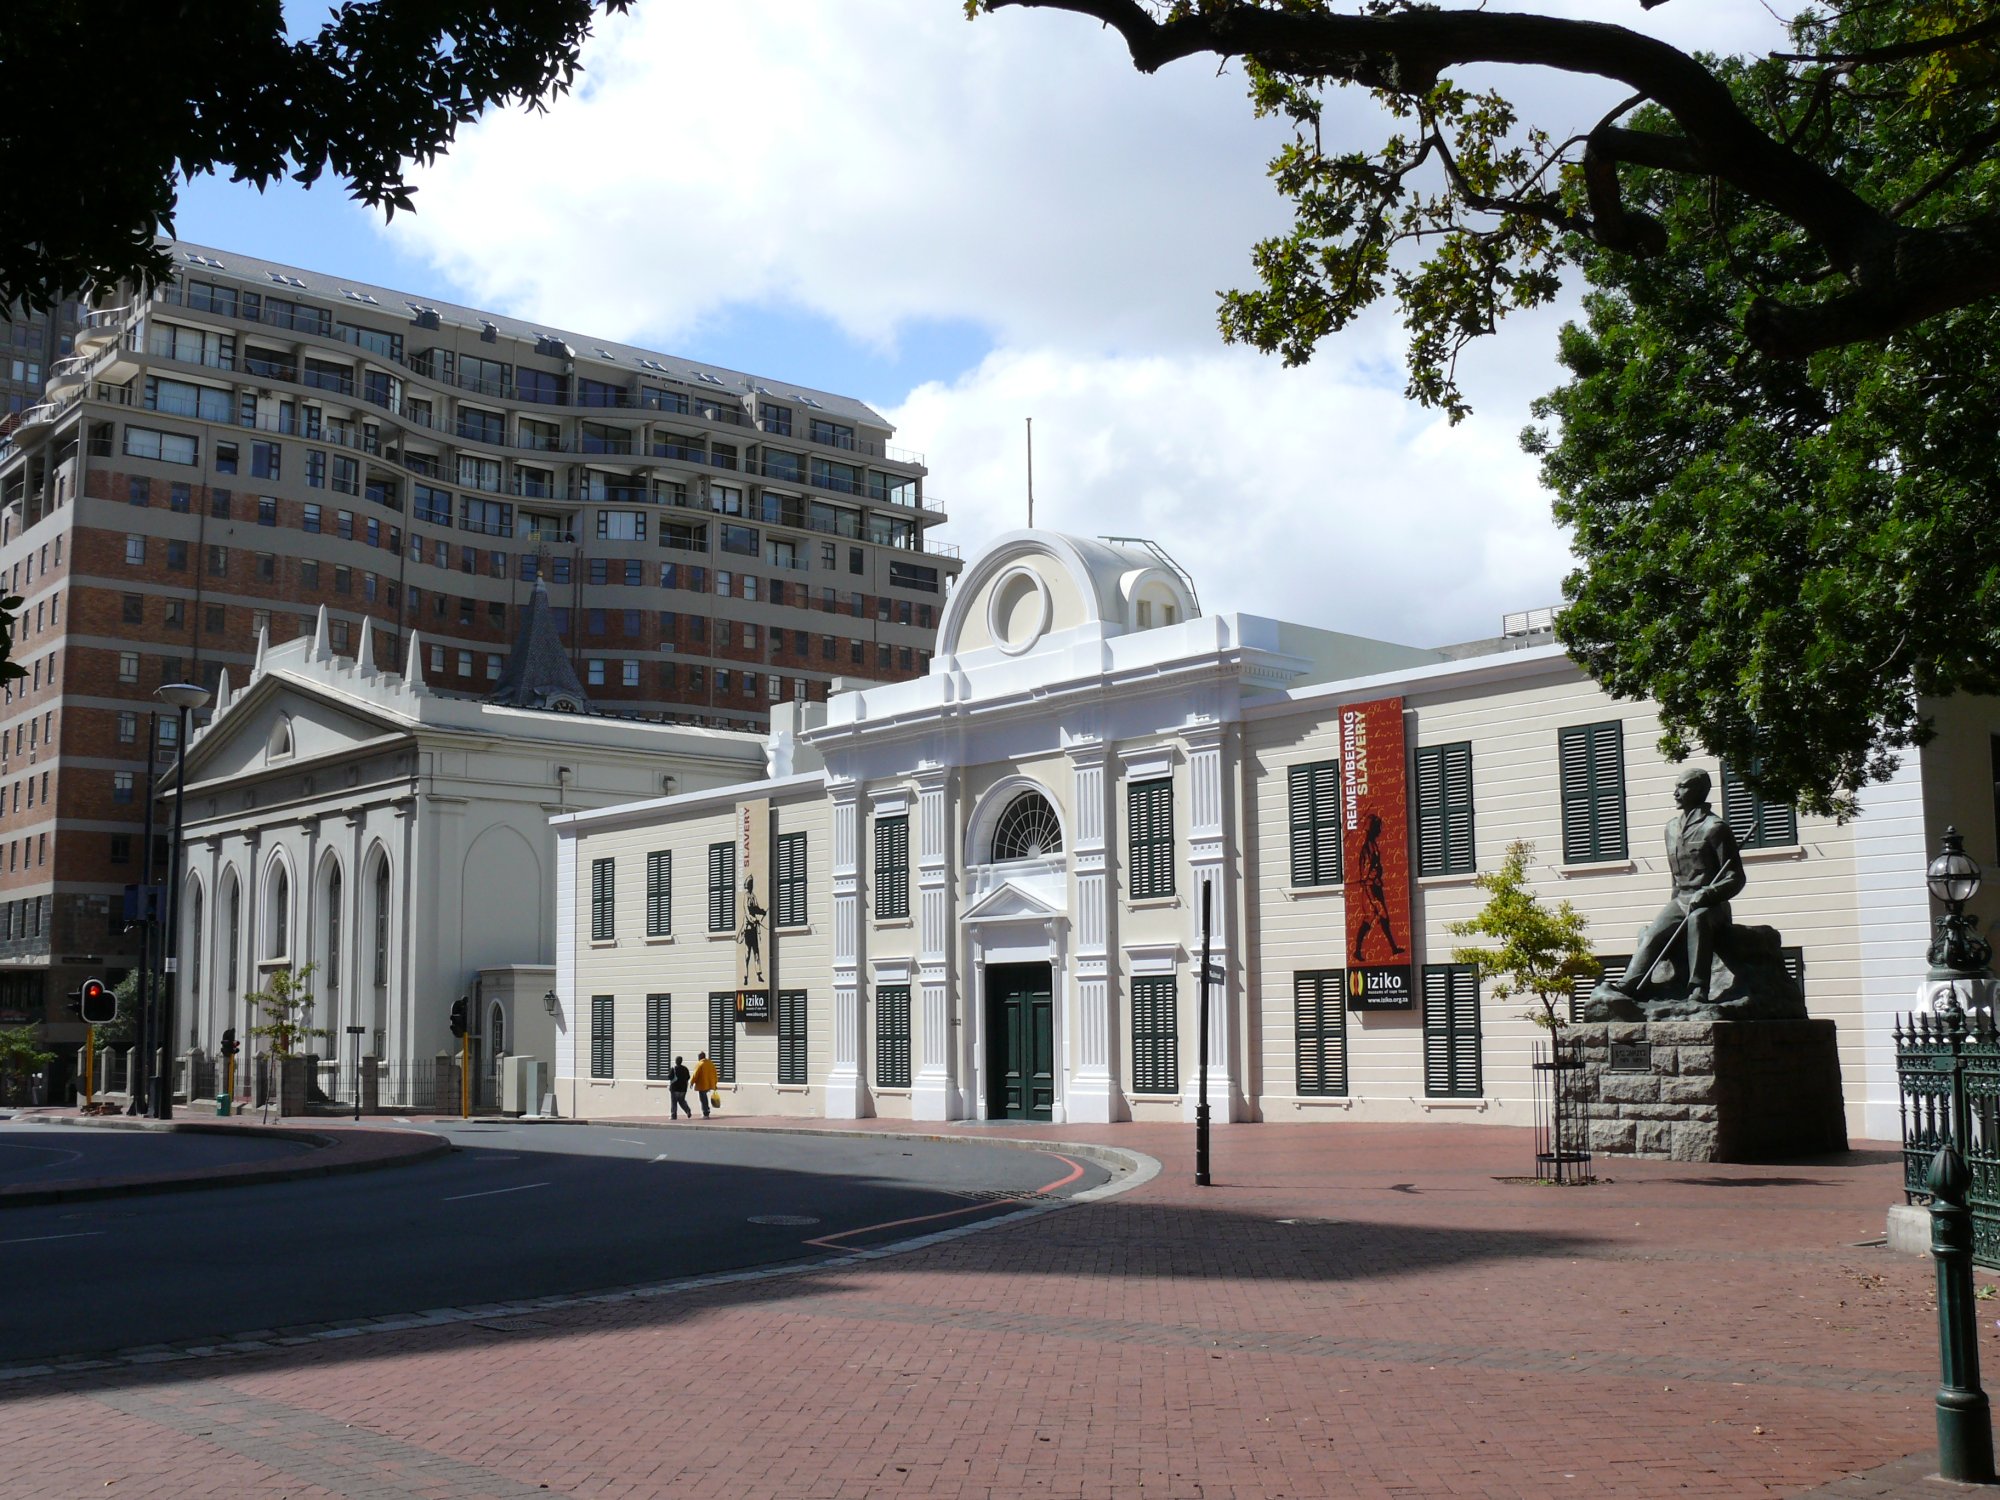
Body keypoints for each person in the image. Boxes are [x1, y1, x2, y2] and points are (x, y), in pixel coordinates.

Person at [1600, 766, 1746, 1006]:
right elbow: (1675, 877)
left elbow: (1735, 877)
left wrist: (1708, 893)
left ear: (1699, 790)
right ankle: (1629, 983)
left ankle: (1698, 988)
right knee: (1653, 932)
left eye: (1682, 787)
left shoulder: (1715, 827)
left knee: (1698, 919)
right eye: (1676, 787)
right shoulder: (1671, 828)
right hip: (1680, 900)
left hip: (1712, 905)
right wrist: (1673, 909)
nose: (1675, 793)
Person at [690, 1050, 718, 1119]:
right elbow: (715, 1073)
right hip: (709, 1084)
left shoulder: (700, 1064)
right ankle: (707, 1111)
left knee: (703, 1099)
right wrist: (714, 1083)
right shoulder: (710, 1063)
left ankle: (705, 1113)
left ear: (700, 1057)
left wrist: (691, 1082)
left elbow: (695, 1074)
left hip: (702, 1084)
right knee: (705, 1097)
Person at [668, 1054, 693, 1120]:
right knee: (682, 1101)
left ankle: (673, 1115)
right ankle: (688, 1111)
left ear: (676, 1061)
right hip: (683, 1089)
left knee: (674, 1102)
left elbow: (669, 1077)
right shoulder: (685, 1069)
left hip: (675, 1088)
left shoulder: (674, 1068)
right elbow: (688, 1077)